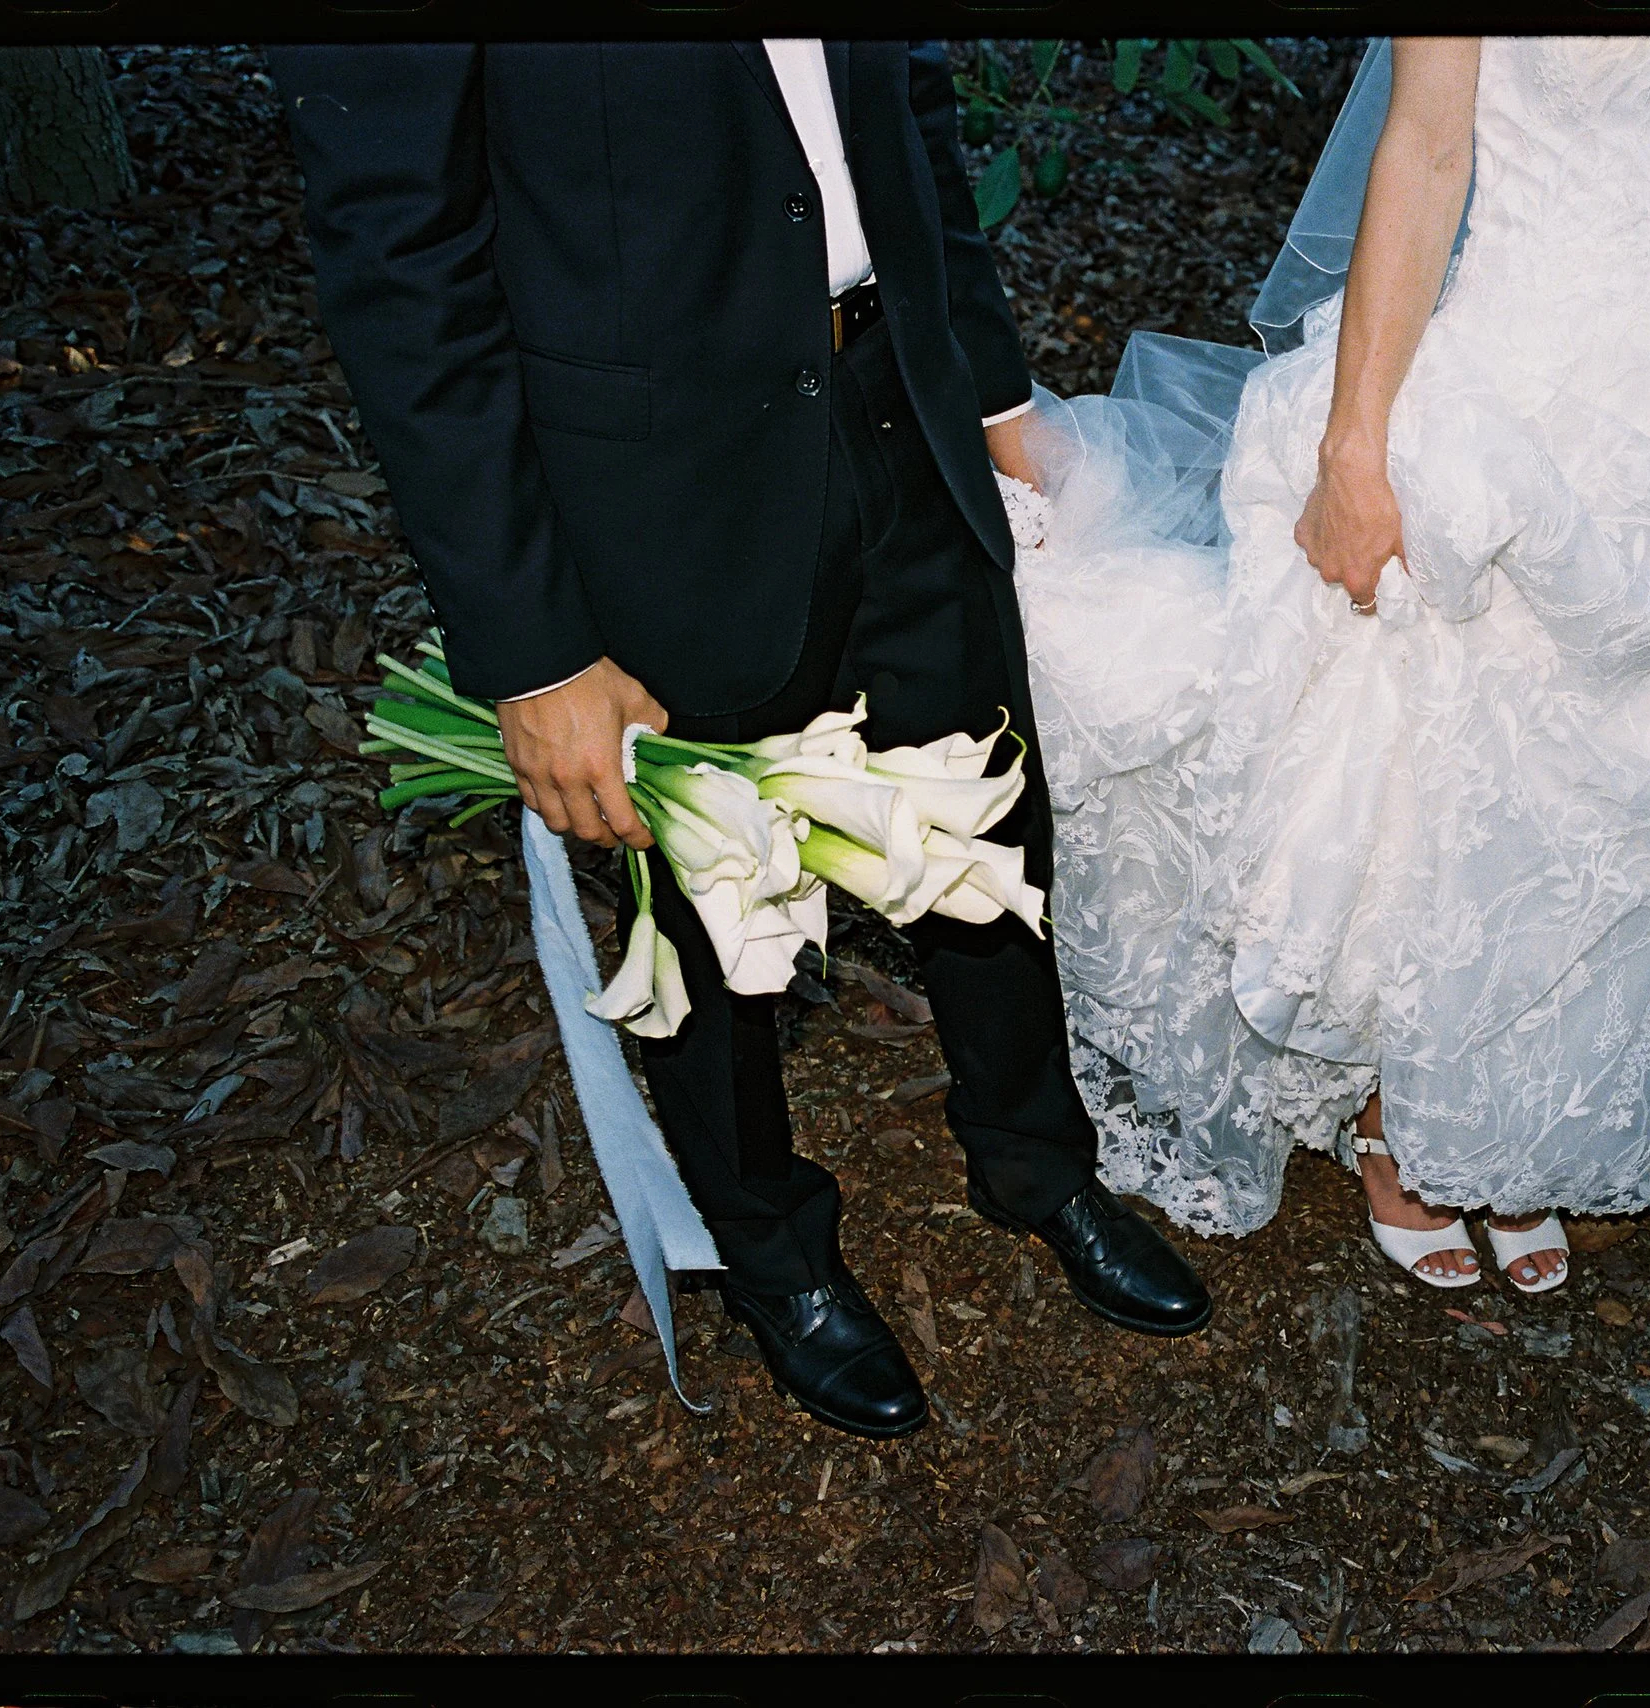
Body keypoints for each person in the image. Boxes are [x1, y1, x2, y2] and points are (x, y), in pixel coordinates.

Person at [268, 40, 1211, 1442]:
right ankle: (774, 1257)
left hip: (903, 398)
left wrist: (996, 396)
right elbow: (399, 254)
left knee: (983, 813)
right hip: (651, 474)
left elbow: (910, 111)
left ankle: (1036, 1162)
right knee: (706, 904)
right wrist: (534, 651)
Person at [1012, 38, 1650, 1291]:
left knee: (1629, 818)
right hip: (1515, 401)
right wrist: (1355, 447)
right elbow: (1427, 146)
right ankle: (1406, 1114)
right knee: (1472, 781)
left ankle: (1527, 1117)